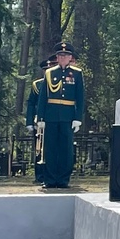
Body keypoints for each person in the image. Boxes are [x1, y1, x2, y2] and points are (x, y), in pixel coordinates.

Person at [36, 41, 85, 189]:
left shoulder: (77, 73)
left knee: (66, 149)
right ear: (57, 57)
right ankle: (50, 179)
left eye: (66, 55)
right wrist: (41, 118)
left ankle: (63, 179)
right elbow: (43, 96)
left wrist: (77, 118)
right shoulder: (50, 73)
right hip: (51, 116)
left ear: (70, 57)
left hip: (68, 116)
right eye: (61, 55)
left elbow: (80, 97)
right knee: (50, 149)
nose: (63, 58)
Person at [24, 57, 50, 183]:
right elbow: (31, 103)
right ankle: (39, 175)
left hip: (52, 120)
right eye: (45, 70)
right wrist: (29, 121)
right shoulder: (37, 84)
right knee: (39, 149)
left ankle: (50, 174)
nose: (47, 72)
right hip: (38, 121)